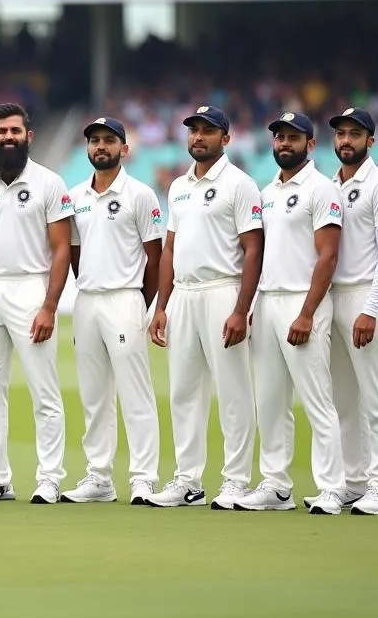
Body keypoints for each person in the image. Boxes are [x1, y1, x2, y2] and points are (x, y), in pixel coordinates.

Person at [147, 106, 263, 510]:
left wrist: (241, 308)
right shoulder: (178, 186)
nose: (198, 137)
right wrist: (162, 307)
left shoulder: (240, 184)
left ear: (225, 139)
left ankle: (235, 480)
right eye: (194, 130)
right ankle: (187, 480)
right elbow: (170, 249)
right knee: (183, 391)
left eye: (208, 131)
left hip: (222, 291)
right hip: (184, 295)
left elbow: (253, 251)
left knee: (233, 391)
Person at [0, 103, 73, 504]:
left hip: (32, 289)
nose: (8, 137)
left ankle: (49, 478)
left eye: (15, 131)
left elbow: (61, 251)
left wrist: (49, 306)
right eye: (1, 132)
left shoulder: (49, 183)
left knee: (44, 389)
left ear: (29, 136)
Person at [237, 112, 346, 515]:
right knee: (270, 400)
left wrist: (307, 313)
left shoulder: (321, 190)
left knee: (318, 400)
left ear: (310, 144)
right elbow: (259, 253)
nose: (284, 143)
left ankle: (333, 487)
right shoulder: (267, 192)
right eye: (280, 137)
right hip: (267, 301)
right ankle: (276, 485)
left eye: (292, 138)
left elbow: (328, 255)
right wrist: (250, 307)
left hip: (304, 301)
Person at [63, 117, 163, 505]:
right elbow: (74, 252)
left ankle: (144, 478)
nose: (100, 147)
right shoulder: (74, 196)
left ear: (124, 149)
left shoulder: (140, 194)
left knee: (136, 393)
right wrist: (89, 283)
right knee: (94, 395)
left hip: (126, 297)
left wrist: (141, 301)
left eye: (108, 141)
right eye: (94, 141)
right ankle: (99, 477)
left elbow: (154, 258)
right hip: (87, 299)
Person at [321, 108, 378, 515]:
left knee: (376, 396)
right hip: (333, 298)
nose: (346, 140)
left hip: (364, 297)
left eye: (355, 134)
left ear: (371, 140)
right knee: (343, 398)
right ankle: (354, 481)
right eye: (341, 134)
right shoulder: (329, 186)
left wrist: (370, 309)